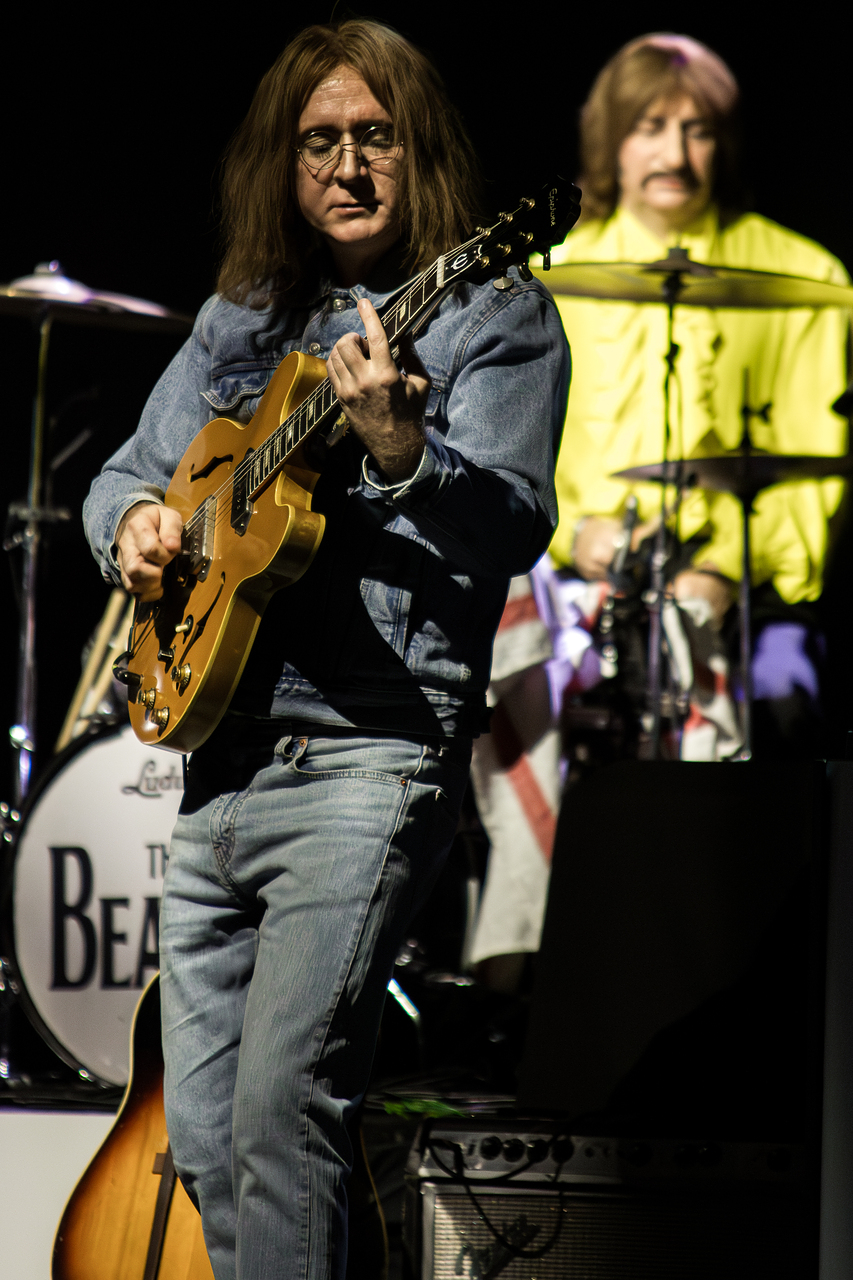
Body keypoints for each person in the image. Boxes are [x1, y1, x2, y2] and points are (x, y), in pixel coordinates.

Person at [82, 19, 568, 1279]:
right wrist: (135, 526)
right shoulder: (240, 317)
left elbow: (515, 522)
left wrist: (405, 451)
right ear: (282, 162)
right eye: (318, 142)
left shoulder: (493, 313)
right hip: (222, 761)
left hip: (370, 752)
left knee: (282, 1113)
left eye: (375, 136)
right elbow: (127, 476)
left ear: (421, 149)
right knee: (203, 1142)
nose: (346, 165)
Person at [548, 33, 849, 759]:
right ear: (611, 141)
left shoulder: (810, 278)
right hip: (574, 574)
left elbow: (812, 470)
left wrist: (724, 570)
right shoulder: (547, 278)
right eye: (649, 128)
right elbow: (515, 450)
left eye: (697, 131)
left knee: (784, 706)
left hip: (745, 589)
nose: (675, 156)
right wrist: (571, 535)